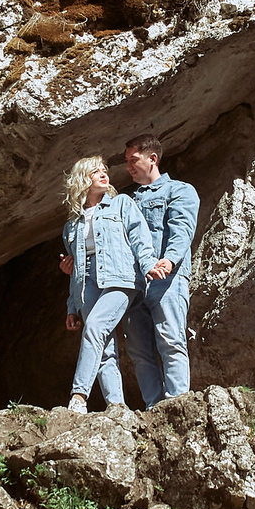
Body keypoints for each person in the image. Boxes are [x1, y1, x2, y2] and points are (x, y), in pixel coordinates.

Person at [60, 154, 157, 413]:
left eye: (105, 170)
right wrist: (71, 306)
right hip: (86, 283)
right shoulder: (71, 225)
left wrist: (148, 265)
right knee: (103, 348)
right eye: (96, 172)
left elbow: (140, 237)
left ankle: (79, 396)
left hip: (119, 277)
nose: (104, 174)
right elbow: (75, 269)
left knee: (94, 327)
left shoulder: (121, 204)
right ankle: (117, 406)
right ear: (83, 179)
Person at [121, 133, 198, 404]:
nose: (128, 166)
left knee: (171, 341)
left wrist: (170, 259)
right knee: (139, 351)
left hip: (167, 280)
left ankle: (177, 403)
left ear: (152, 158)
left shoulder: (180, 190)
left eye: (134, 160)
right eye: (127, 161)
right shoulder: (125, 201)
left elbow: (183, 229)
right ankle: (154, 408)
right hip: (134, 284)